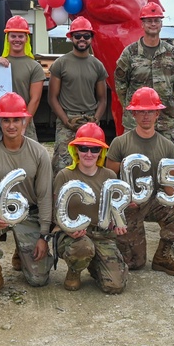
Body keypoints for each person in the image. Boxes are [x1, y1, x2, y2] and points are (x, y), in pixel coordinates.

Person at [104, 87, 174, 277]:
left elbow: (168, 184)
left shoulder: (167, 146)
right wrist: (119, 203)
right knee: (135, 264)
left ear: (157, 114)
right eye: (141, 111)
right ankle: (115, 242)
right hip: (129, 205)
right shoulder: (120, 143)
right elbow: (108, 180)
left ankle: (162, 256)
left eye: (150, 111)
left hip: (155, 201)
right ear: (133, 114)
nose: (145, 116)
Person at [0, 92, 54, 298]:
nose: (12, 125)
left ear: (24, 121)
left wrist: (44, 236)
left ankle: (23, 249)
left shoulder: (39, 153)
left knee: (39, 280)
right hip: (0, 212)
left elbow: (45, 195)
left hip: (30, 213)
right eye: (6, 120)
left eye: (16, 120)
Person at [52, 123, 129, 293]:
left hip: (101, 234)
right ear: (76, 150)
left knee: (115, 286)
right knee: (83, 248)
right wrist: (67, 230)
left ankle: (96, 264)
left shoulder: (109, 176)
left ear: (101, 152)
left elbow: (114, 209)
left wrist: (118, 224)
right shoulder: (65, 175)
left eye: (94, 149)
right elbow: (55, 212)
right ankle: (74, 271)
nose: (88, 154)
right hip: (73, 236)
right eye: (84, 148)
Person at [114, 2, 174, 142]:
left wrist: (166, 99)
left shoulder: (171, 52)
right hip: (136, 121)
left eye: (157, 20)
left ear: (161, 24)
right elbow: (120, 84)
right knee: (134, 159)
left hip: (164, 120)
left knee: (166, 160)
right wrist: (132, 106)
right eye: (149, 21)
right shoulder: (130, 53)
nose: (153, 24)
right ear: (142, 24)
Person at [48, 17, 108, 171]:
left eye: (86, 36)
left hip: (90, 119)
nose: (82, 39)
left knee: (91, 164)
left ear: (91, 38)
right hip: (67, 119)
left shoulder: (97, 65)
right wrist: (66, 121)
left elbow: (102, 100)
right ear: (71, 38)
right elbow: (52, 98)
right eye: (78, 36)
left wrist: (95, 120)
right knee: (62, 165)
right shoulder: (61, 64)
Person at [0, 16, 45, 141]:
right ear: (7, 39)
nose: (17, 40)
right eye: (13, 36)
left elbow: (35, 100)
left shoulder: (34, 66)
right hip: (1, 121)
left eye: (21, 36)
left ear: (26, 39)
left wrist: (24, 124)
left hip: (23, 121)